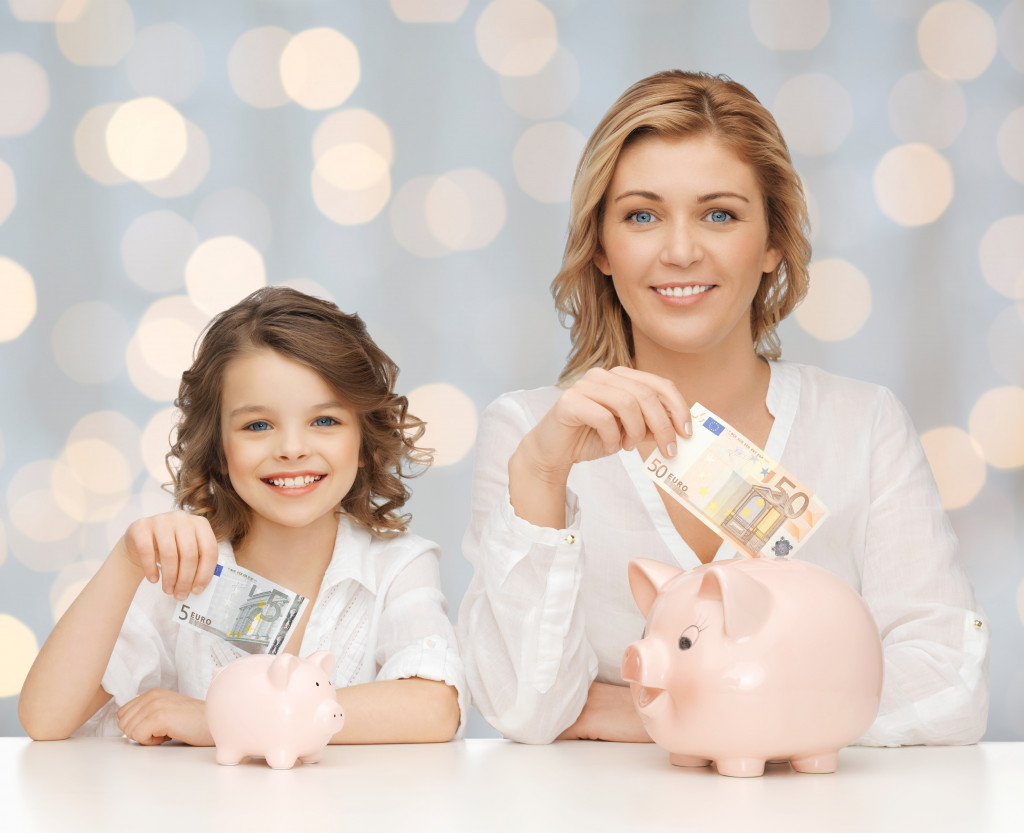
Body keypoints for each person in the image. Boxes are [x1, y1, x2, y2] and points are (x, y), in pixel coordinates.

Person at [458, 70, 989, 746]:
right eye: (642, 215)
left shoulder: (863, 425)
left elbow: (949, 683)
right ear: (601, 248)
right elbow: (524, 710)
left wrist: (653, 707)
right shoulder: (527, 434)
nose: (681, 250)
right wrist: (539, 473)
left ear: (772, 243)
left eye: (720, 214)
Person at [19, 287, 465, 745]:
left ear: (365, 442)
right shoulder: (179, 570)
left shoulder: (397, 567)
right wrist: (127, 560)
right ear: (218, 447)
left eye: (325, 421)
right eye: (258, 425)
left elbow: (434, 709)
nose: (292, 448)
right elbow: (45, 719)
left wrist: (222, 721)